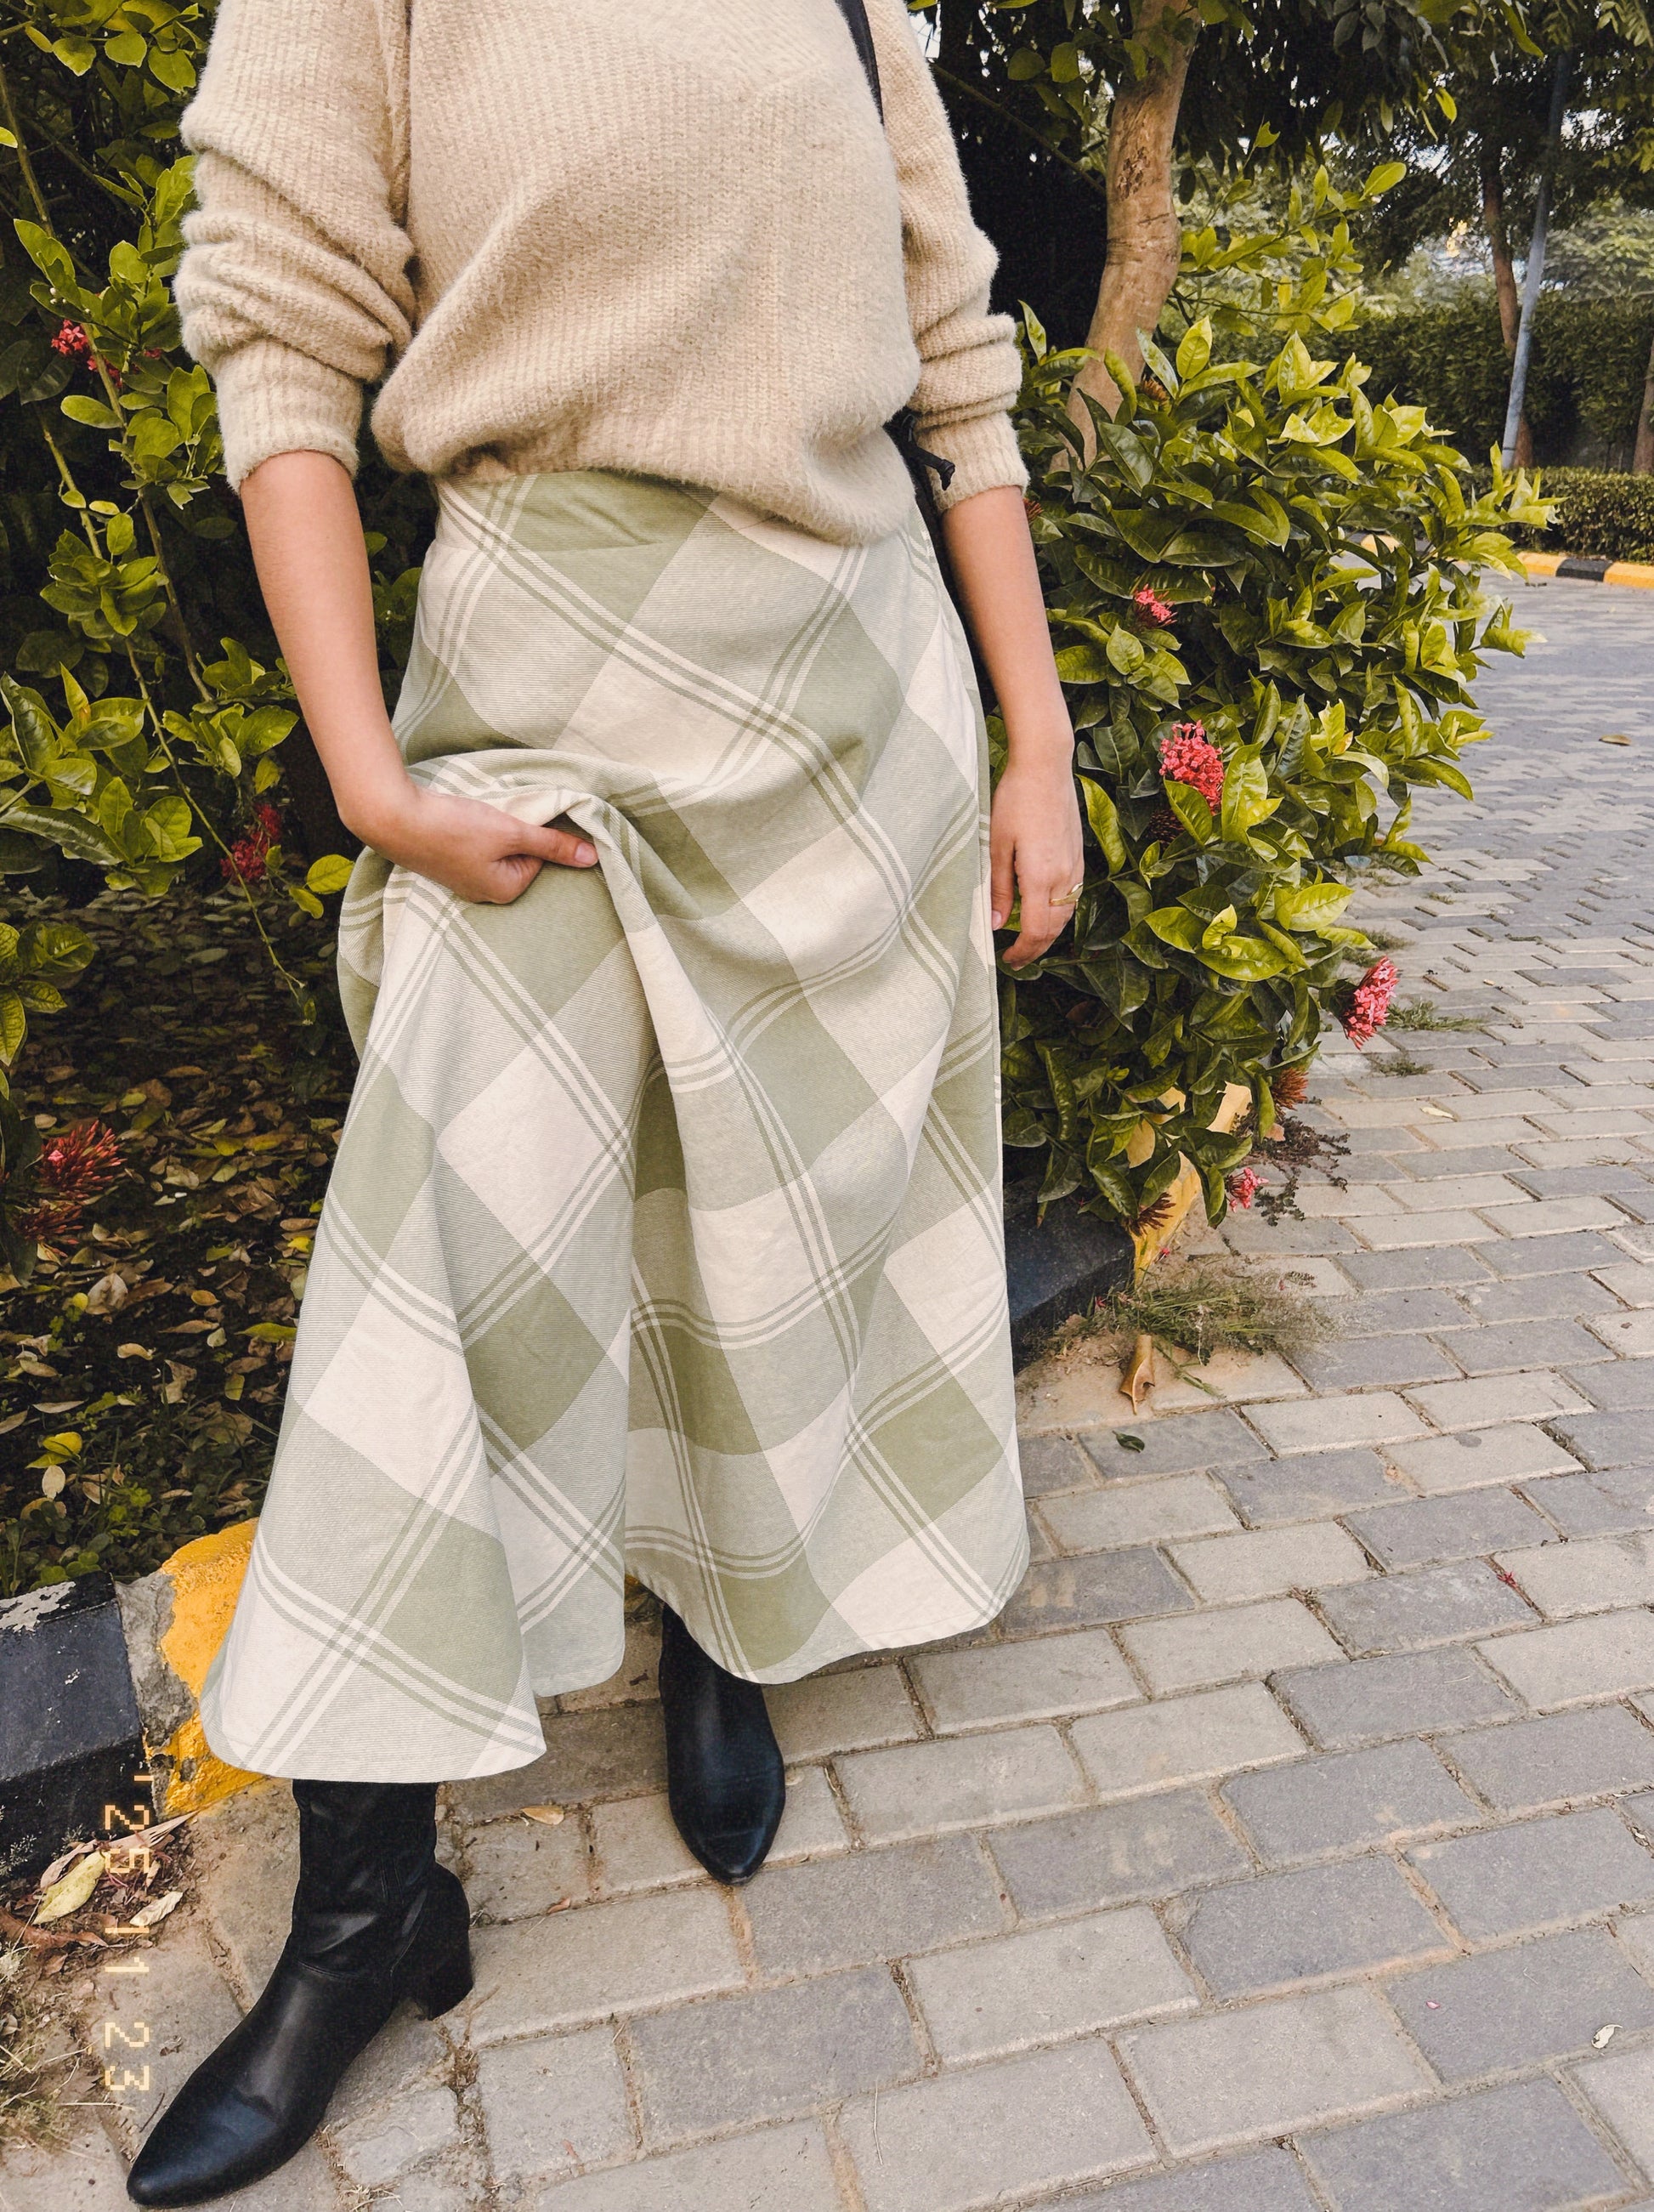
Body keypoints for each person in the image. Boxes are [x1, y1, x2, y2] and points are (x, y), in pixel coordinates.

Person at [127, 0, 1083, 2200]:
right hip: (543, 690)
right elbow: (276, 331)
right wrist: (367, 776)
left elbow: (957, 372)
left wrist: (1035, 738)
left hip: (850, 704)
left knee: (762, 1220)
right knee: (433, 1261)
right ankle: (369, 1910)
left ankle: (725, 1633)